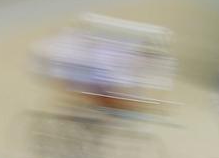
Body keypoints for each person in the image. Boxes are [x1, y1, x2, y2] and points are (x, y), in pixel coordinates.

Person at [35, 13, 175, 111]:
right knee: (110, 99)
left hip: (82, 70)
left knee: (110, 98)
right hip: (81, 71)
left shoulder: (126, 54)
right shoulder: (124, 56)